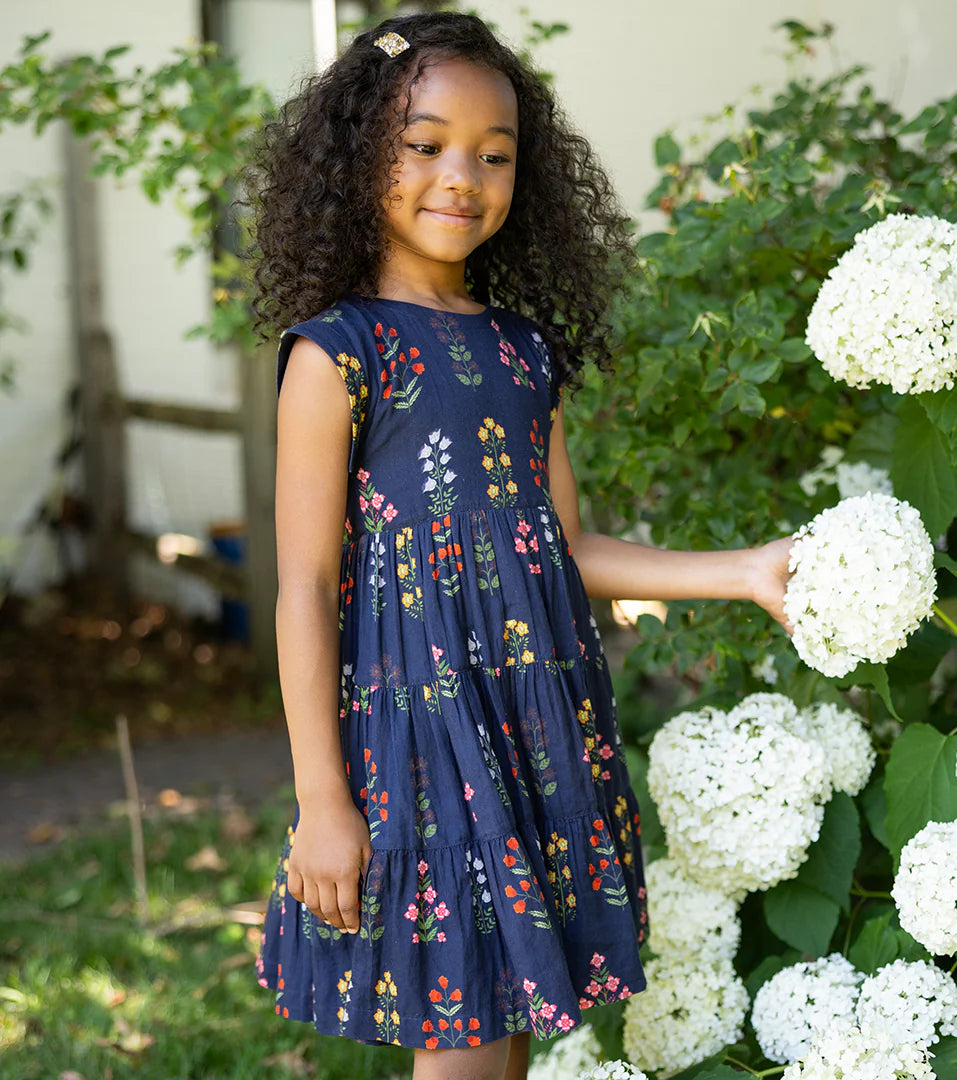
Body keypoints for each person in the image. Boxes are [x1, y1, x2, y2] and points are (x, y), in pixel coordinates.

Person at [252, 12, 793, 1080]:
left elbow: (564, 544)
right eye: (427, 144)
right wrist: (323, 799)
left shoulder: (521, 349)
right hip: (420, 740)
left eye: (495, 155)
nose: (463, 176)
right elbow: (306, 587)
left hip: (533, 720)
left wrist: (745, 573)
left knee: (500, 1032)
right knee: (461, 1033)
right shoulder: (339, 352)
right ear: (360, 156)